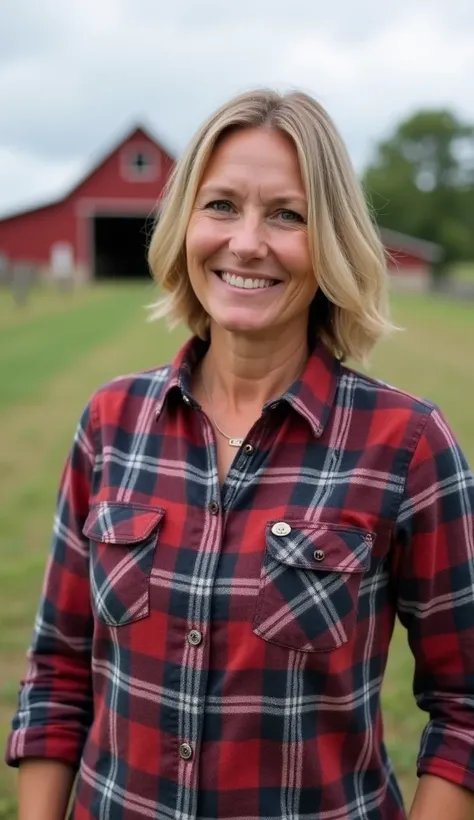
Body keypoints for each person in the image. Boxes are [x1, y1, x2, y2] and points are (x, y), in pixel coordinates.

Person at [5, 89, 474, 820]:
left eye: (286, 214)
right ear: (185, 223)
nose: (248, 242)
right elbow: (59, 674)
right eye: (221, 205)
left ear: (332, 242)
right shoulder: (111, 423)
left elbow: (464, 705)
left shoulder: (407, 444)